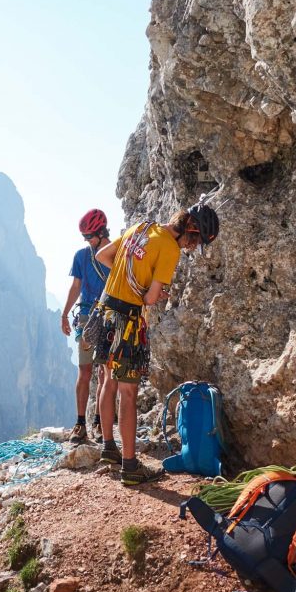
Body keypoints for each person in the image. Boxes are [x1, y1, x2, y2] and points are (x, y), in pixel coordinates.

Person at [91, 202, 219, 485]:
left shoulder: (141, 227)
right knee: (128, 393)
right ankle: (130, 467)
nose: (190, 247)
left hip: (106, 312)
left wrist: (129, 278)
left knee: (107, 380)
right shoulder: (170, 249)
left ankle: (109, 449)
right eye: (194, 240)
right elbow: (150, 299)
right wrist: (152, 291)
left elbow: (103, 256)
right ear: (190, 229)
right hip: (127, 319)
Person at [60, 209, 112, 444]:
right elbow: (76, 286)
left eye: (90, 236)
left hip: (110, 316)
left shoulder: (116, 253)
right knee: (85, 371)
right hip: (86, 317)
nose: (87, 241)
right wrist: (64, 314)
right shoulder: (81, 256)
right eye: (85, 237)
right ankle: (81, 423)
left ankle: (99, 423)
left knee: (105, 373)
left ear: (102, 232)